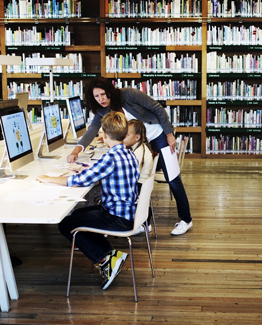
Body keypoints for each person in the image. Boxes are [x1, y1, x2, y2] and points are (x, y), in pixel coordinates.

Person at [67, 77, 192, 235]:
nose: (101, 99)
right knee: (135, 178)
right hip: (138, 142)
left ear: (109, 91)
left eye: (103, 94)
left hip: (157, 135)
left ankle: (186, 219)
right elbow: (92, 129)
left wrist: (169, 134)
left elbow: (158, 108)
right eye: (96, 96)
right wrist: (76, 150)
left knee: (172, 178)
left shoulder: (128, 94)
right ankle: (143, 222)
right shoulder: (101, 110)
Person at [37, 112, 139, 290]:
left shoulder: (111, 157)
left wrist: (48, 178)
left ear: (105, 135)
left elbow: (78, 181)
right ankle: (110, 254)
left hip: (116, 218)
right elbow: (98, 173)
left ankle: (104, 259)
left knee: (65, 224)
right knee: (77, 215)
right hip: (127, 213)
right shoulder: (127, 153)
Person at [124, 119, 154, 235]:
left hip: (138, 187)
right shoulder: (139, 147)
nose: (122, 137)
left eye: (126, 135)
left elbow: (129, 176)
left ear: (137, 138)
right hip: (141, 186)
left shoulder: (137, 153)